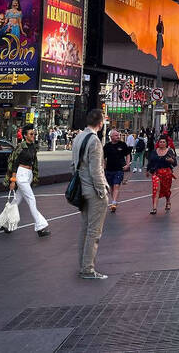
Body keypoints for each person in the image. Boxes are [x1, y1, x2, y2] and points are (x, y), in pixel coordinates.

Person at [72, 109, 110, 279]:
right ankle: (88, 269)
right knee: (94, 232)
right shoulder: (94, 141)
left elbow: (73, 165)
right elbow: (97, 170)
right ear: (100, 123)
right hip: (93, 191)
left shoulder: (78, 137)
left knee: (85, 229)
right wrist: (102, 191)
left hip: (82, 189)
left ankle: (83, 264)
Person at [2, 124, 50, 237]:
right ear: (25, 135)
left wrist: (33, 176)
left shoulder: (33, 146)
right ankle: (40, 227)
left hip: (28, 175)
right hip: (20, 174)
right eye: (31, 134)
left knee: (16, 200)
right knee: (31, 200)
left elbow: (34, 163)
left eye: (34, 134)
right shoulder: (20, 147)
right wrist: (13, 180)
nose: (33, 135)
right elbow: (14, 164)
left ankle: (4, 222)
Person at [146, 135, 176, 214]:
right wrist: (147, 170)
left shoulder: (170, 151)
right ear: (158, 143)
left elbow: (175, 163)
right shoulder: (154, 151)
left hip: (167, 173)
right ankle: (154, 208)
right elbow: (150, 162)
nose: (162, 143)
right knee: (156, 189)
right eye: (160, 142)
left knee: (166, 190)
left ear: (166, 143)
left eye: (163, 142)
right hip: (156, 173)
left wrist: (171, 160)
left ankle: (168, 201)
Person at [103, 129, 131, 213]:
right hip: (109, 169)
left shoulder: (122, 144)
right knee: (111, 187)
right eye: (116, 135)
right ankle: (114, 201)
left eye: (118, 135)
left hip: (119, 169)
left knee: (116, 185)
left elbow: (128, 154)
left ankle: (114, 202)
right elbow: (103, 157)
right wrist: (104, 165)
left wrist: (127, 164)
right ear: (111, 137)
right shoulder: (107, 146)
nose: (118, 137)